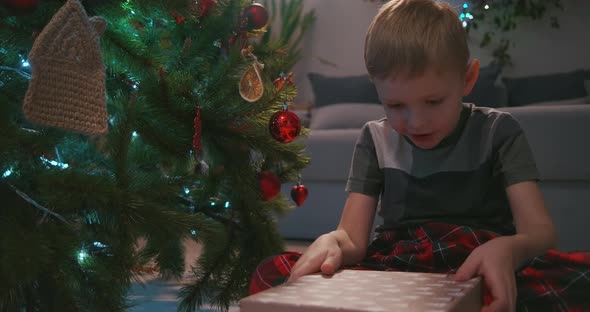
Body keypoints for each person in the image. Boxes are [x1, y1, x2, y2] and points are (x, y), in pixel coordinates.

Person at [249, 1, 590, 311]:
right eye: (395, 105)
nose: (416, 122)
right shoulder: (375, 138)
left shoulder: (499, 131)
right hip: (400, 265)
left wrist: (509, 249)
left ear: (467, 78)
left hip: (480, 262)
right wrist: (332, 241)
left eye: (434, 102)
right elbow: (352, 238)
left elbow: (541, 233)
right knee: (273, 273)